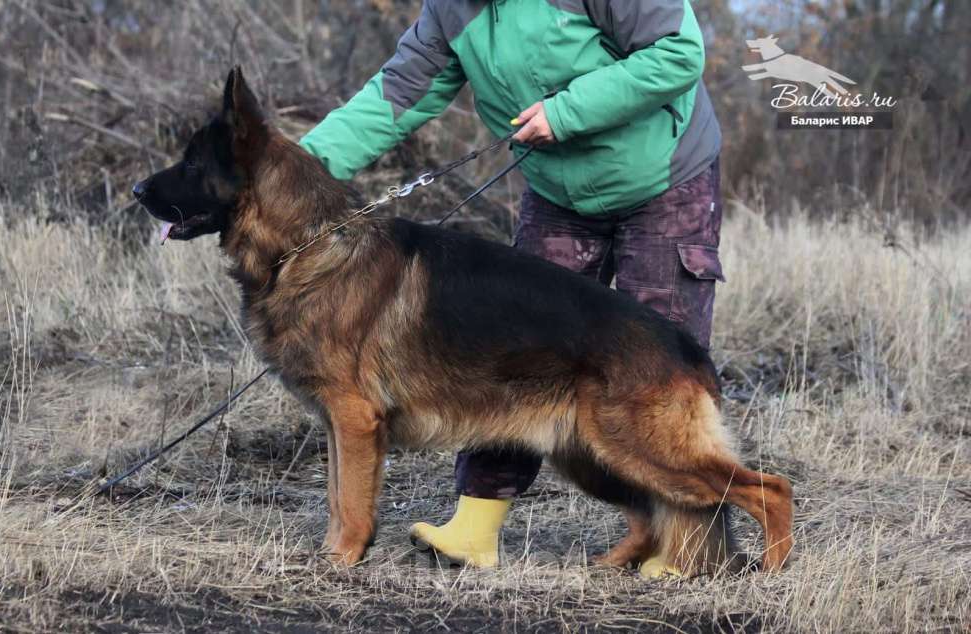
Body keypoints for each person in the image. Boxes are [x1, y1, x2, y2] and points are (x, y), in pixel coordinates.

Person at [300, 0, 725, 578]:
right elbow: (396, 95)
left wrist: (568, 111)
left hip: (663, 175)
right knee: (505, 348)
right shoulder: (451, 10)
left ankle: (685, 544)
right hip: (557, 190)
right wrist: (294, 170)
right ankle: (476, 524)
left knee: (650, 366)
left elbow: (678, 53)